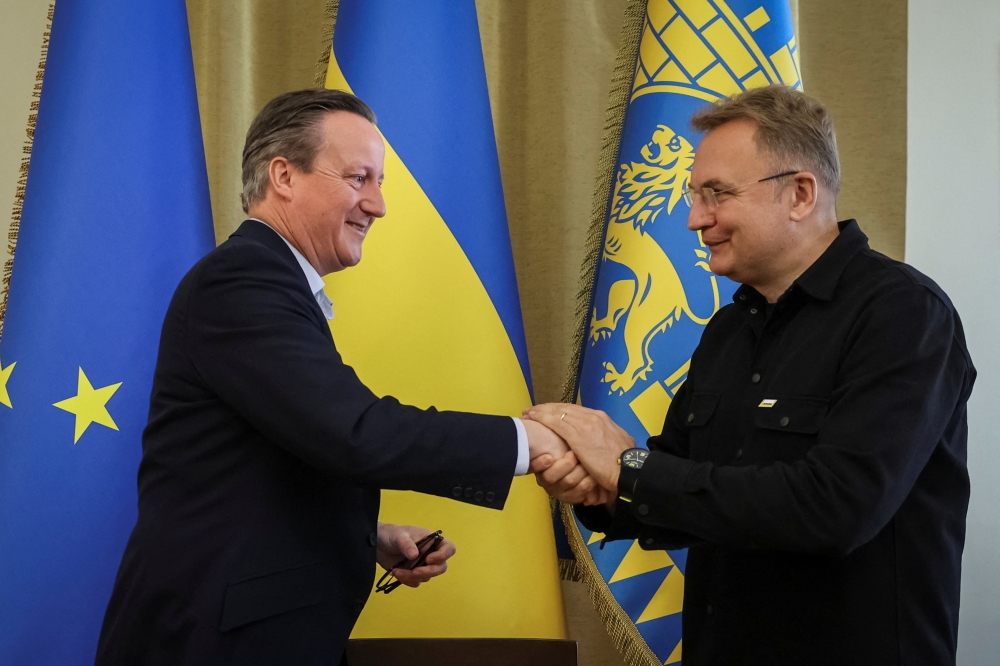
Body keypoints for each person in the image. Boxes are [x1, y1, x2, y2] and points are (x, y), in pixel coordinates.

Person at [94, 89, 575, 665]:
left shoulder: (268, 281)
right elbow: (355, 433)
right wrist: (530, 442)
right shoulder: (242, 283)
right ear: (284, 176)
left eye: (379, 181)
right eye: (358, 178)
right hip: (210, 644)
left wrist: (367, 533)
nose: (377, 204)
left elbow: (272, 461)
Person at [529, 85, 975, 665]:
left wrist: (628, 469)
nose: (694, 219)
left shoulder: (903, 315)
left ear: (800, 194)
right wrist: (600, 489)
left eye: (716, 194)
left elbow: (837, 508)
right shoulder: (728, 330)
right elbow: (680, 478)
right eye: (694, 195)